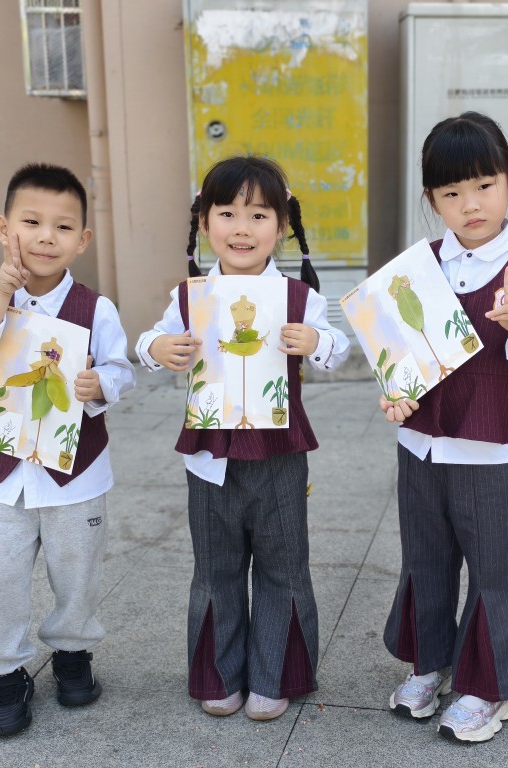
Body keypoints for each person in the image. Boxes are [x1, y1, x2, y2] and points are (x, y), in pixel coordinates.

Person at [380, 112, 508, 743]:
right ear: (432, 198)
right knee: (425, 560)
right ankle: (430, 663)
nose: (470, 205)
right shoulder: (420, 264)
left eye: (484, 186)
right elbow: (399, 351)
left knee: (494, 569)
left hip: (491, 453)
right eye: (452, 193)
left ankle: (490, 685)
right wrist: (394, 393)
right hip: (421, 447)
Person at [135, 155, 350, 722]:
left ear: (281, 226)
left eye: (258, 215)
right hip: (209, 455)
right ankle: (220, 674)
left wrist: (317, 343)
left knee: (283, 565)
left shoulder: (299, 297)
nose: (242, 228)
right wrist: (157, 348)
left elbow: (338, 348)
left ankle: (274, 676)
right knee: (216, 568)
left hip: (281, 454)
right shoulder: (191, 297)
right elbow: (149, 341)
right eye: (227, 213)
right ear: (204, 222)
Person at [0, 162, 135, 736]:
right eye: (32, 222)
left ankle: (73, 653)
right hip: (6, 478)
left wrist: (100, 384)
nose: (47, 236)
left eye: (63, 226)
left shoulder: (97, 309)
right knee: (1, 579)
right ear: (5, 229)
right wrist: (2, 292)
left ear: (83, 239)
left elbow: (121, 370)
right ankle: (4, 672)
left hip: (77, 478)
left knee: (77, 572)